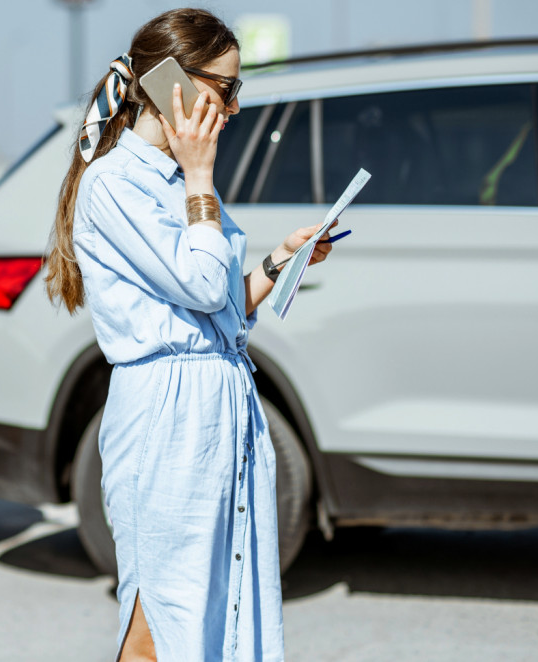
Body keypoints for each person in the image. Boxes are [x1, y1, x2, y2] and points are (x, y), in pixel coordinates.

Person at [44, 9, 333, 661]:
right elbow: (200, 287)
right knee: (161, 619)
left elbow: (223, 305)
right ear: (172, 82)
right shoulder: (115, 184)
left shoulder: (179, 180)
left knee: (219, 611)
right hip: (165, 417)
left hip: (220, 403)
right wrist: (201, 179)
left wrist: (278, 263)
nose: (232, 108)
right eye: (225, 90)